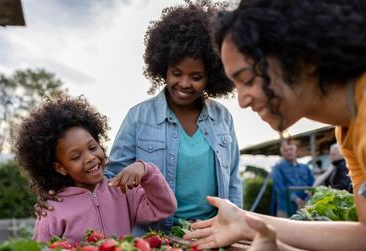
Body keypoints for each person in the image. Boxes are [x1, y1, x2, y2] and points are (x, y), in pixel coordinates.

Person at [183, 0, 366, 250]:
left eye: (247, 79)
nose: (242, 100)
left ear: (302, 56)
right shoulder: (347, 130)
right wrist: (246, 222)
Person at [107, 2, 242, 235]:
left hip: (212, 231)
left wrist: (237, 225)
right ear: (163, 68)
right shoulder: (139, 117)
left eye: (196, 76)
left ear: (212, 75)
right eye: (176, 73)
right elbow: (112, 180)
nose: (184, 84)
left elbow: (233, 181)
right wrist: (63, 198)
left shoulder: (222, 117)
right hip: (155, 235)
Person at [13, 96, 177, 243]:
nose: (90, 157)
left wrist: (145, 170)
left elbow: (164, 207)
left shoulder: (122, 190)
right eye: (76, 157)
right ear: (60, 168)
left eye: (92, 147)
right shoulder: (53, 209)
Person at [271, 141, 314, 217]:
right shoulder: (278, 168)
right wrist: (296, 199)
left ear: (296, 150)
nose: (288, 152)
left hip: (305, 209)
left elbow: (312, 185)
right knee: (284, 228)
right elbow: (280, 187)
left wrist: (307, 199)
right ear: (282, 153)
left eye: (290, 149)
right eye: (285, 150)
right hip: (285, 209)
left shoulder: (305, 168)